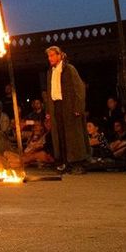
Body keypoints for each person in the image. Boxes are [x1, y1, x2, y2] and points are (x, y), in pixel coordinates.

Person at [42, 46, 88, 174]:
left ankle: (78, 163)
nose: (49, 58)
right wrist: (48, 111)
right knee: (60, 134)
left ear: (59, 55)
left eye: (52, 55)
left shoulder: (69, 69)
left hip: (68, 105)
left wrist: (78, 106)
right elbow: (50, 91)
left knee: (73, 135)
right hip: (56, 105)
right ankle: (65, 162)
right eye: (48, 56)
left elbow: (79, 88)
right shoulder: (51, 71)